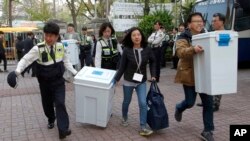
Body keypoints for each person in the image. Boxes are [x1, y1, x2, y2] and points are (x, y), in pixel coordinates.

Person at [8, 22, 77, 139]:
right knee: (47, 104)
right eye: (47, 35)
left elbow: (66, 62)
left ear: (56, 36)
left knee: (60, 103)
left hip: (58, 81)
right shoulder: (38, 48)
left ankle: (63, 129)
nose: (49, 38)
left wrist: (76, 73)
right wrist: (17, 72)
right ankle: (51, 118)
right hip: (45, 82)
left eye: (51, 36)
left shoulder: (61, 47)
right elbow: (25, 60)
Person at [174, 12, 214, 141]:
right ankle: (179, 108)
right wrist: (193, 49)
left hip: (205, 74)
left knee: (208, 103)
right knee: (190, 102)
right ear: (189, 24)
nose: (199, 23)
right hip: (190, 74)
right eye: (196, 21)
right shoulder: (183, 36)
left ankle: (208, 131)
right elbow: (180, 52)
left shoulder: (208, 35)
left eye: (201, 21)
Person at [114, 27, 156, 136]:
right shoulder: (127, 50)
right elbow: (122, 67)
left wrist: (153, 75)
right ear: (130, 37)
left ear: (142, 36)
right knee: (126, 101)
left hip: (141, 80)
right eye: (134, 35)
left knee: (143, 103)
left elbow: (153, 61)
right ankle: (124, 116)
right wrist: (116, 79)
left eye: (138, 35)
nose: (136, 37)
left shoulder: (147, 49)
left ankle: (143, 126)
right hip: (128, 80)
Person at [196, 13, 226, 112]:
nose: (212, 23)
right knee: (210, 82)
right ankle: (207, 102)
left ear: (221, 22)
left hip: (221, 62)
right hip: (211, 62)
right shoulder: (212, 33)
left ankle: (215, 103)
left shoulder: (226, 34)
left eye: (215, 21)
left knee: (218, 82)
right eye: (212, 21)